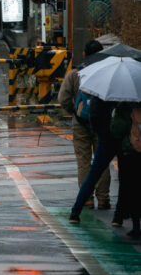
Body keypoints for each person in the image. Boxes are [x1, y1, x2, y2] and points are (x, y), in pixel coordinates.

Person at [57, 39, 111, 211]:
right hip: (101, 122)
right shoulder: (107, 74)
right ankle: (103, 199)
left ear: (84, 54)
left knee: (84, 161)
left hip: (80, 123)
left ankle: (86, 199)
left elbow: (63, 98)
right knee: (102, 160)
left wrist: (74, 111)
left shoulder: (75, 74)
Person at [69, 94, 120, 224]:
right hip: (123, 140)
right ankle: (114, 212)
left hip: (103, 138)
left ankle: (77, 210)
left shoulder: (98, 92)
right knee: (126, 179)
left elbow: (63, 97)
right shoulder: (126, 97)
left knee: (90, 170)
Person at [110, 102, 141, 237]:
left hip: (130, 153)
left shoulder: (124, 106)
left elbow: (116, 131)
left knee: (130, 187)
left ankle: (135, 226)